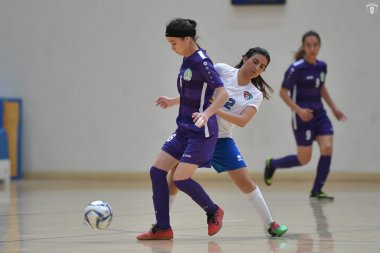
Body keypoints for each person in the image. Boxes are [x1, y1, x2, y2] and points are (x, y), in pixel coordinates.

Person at [159, 47, 288, 237]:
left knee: (244, 182)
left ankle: (271, 223)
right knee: (174, 175)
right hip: (198, 133)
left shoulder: (255, 94)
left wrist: (216, 108)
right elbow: (199, 93)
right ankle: (163, 225)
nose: (257, 67)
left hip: (222, 139)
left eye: (262, 67)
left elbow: (243, 121)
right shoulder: (221, 69)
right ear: (244, 58)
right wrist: (172, 101)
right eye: (255, 62)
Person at [136, 18, 228, 240]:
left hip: (201, 132)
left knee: (179, 178)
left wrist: (207, 114)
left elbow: (222, 93)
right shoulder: (186, 58)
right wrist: (172, 101)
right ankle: (163, 228)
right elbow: (194, 93)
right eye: (169, 43)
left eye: (174, 43)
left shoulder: (202, 62)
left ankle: (213, 210)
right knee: (156, 171)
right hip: (183, 128)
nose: (172, 48)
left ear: (187, 39)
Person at [264, 31, 347, 200]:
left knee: (327, 148)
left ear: (319, 46)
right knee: (304, 160)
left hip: (320, 115)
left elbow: (321, 87)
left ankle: (317, 190)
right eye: (308, 45)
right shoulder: (296, 68)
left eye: (315, 45)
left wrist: (334, 108)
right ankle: (272, 164)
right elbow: (283, 93)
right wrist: (299, 110)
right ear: (304, 46)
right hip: (302, 117)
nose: (312, 48)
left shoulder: (322, 66)